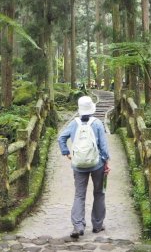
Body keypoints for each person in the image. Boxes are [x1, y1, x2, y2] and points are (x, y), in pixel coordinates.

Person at [58, 96, 111, 239]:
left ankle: (78, 226)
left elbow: (61, 138)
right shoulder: (98, 123)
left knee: (79, 195)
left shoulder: (73, 123)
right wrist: (106, 161)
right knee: (99, 193)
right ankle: (97, 225)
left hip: (78, 165)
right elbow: (104, 147)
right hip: (97, 164)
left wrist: (66, 153)